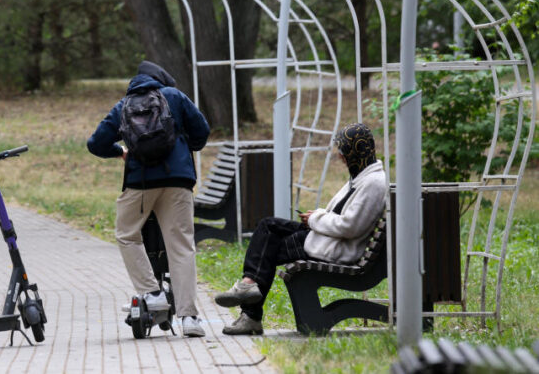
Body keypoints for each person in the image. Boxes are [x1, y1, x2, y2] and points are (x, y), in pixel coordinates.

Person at [214, 122, 388, 335]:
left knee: (266, 250)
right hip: (328, 239)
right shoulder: (361, 177)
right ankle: (249, 291)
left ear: (356, 151)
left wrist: (316, 218)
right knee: (268, 226)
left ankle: (250, 307)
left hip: (337, 248)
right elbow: (342, 217)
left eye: (343, 151)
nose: (340, 156)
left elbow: (350, 227)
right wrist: (316, 217)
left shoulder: (373, 183)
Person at [87, 61, 210, 338]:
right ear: (161, 80)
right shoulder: (175, 97)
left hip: (140, 184)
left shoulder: (124, 105)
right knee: (181, 245)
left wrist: (119, 151)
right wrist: (183, 147)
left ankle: (152, 294)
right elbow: (201, 131)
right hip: (177, 182)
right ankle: (190, 318)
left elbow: (95, 143)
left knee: (127, 234)